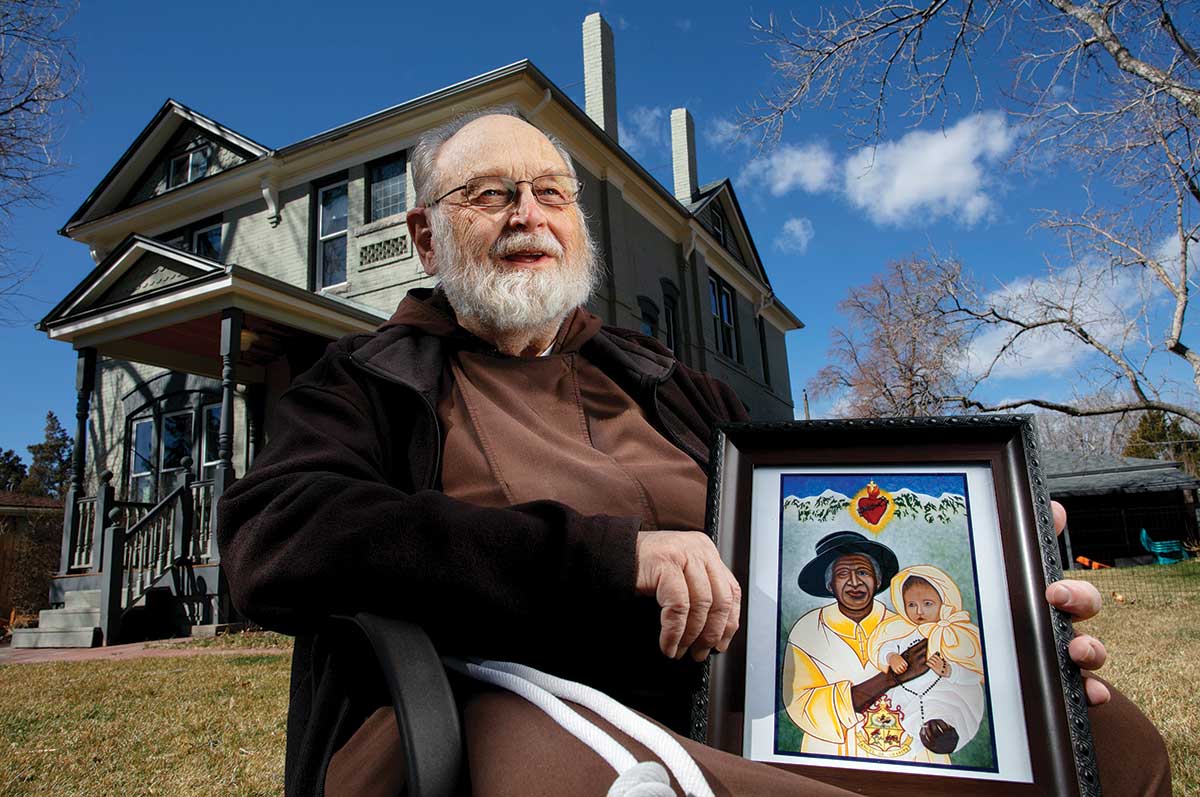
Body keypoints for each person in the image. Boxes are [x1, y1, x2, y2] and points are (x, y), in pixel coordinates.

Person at [216, 106, 1172, 796]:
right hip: (523, 698)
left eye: (552, 192)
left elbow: (820, 515)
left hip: (759, 692)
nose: (527, 213)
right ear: (426, 237)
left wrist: (991, 560)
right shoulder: (369, 379)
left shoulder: (665, 380)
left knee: (1108, 740)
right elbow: (276, 539)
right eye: (487, 194)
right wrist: (613, 557)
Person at [782, 531, 964, 759]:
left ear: (877, 581)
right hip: (835, 759)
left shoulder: (906, 627)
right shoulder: (808, 630)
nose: (855, 582)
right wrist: (888, 680)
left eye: (862, 572)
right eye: (843, 574)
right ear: (830, 585)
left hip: (911, 757)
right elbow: (802, 705)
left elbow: (943, 683)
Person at [869, 565, 986, 763]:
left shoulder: (957, 633)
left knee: (947, 707)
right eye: (912, 605)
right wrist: (891, 657)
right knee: (903, 721)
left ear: (944, 602)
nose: (919, 611)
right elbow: (885, 647)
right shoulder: (902, 629)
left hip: (948, 692)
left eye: (928, 604)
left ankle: (943, 733)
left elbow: (975, 672)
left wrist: (950, 670)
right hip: (909, 694)